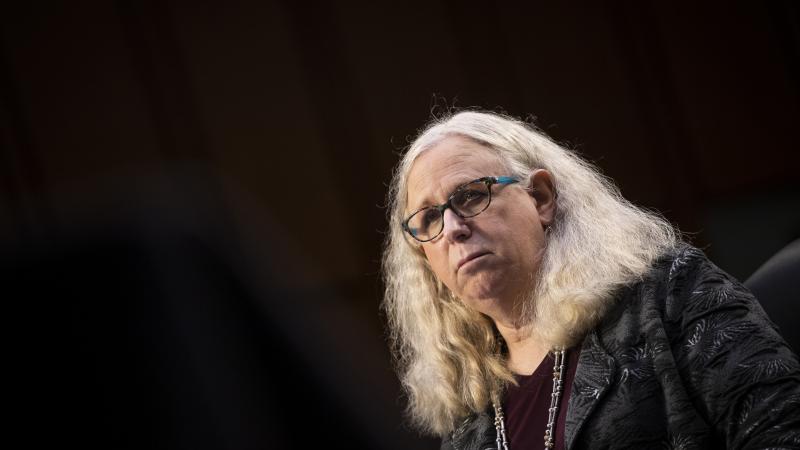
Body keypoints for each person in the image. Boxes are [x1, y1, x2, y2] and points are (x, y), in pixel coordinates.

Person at [381, 110, 800, 450]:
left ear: (541, 198)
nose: (452, 227)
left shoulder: (669, 293)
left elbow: (781, 432)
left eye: (471, 195)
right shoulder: (467, 419)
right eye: (430, 217)